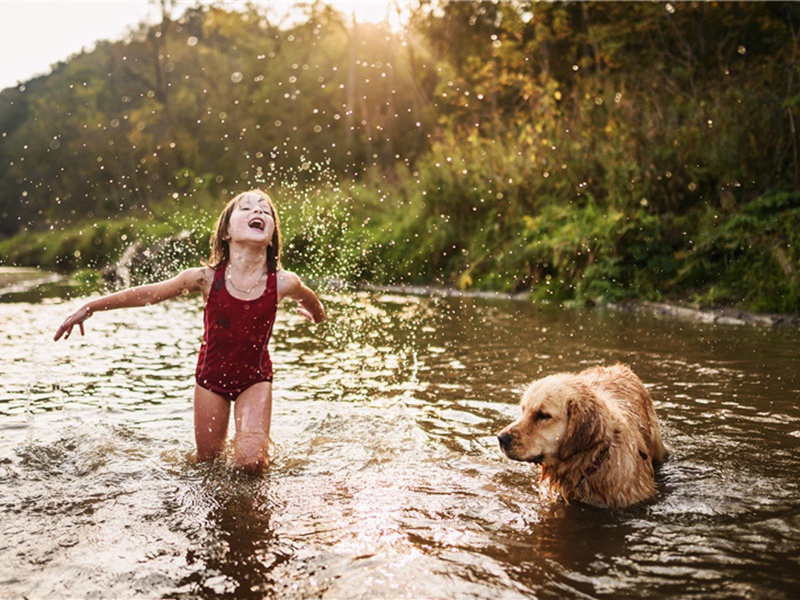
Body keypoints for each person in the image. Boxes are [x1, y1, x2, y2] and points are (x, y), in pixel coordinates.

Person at [54, 189, 326, 473]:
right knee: (207, 466)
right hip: (211, 381)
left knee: (253, 463)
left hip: (255, 380)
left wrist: (316, 316)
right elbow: (149, 294)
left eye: (265, 211)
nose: (258, 212)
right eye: (246, 208)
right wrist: (93, 306)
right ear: (226, 233)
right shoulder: (205, 278)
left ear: (271, 237)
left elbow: (309, 299)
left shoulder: (284, 282)